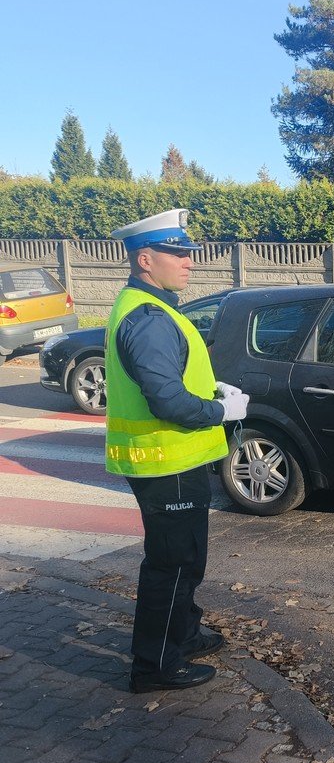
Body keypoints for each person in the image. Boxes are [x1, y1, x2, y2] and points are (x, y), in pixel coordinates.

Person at [106, 210, 249, 694]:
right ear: (145, 259)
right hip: (162, 461)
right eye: (178, 253)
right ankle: (154, 667)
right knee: (171, 566)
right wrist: (220, 411)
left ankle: (184, 636)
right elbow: (166, 399)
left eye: (189, 253)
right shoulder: (148, 317)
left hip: (174, 459)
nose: (189, 262)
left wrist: (212, 390)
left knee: (187, 559)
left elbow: (174, 378)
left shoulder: (150, 306)